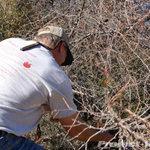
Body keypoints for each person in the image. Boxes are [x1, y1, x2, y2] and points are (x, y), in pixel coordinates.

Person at [0, 26, 114, 149]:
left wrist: (51, 106)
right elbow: (75, 130)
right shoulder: (55, 74)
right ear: (62, 46)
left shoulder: (8, 43)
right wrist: (108, 136)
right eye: (66, 60)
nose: (61, 65)